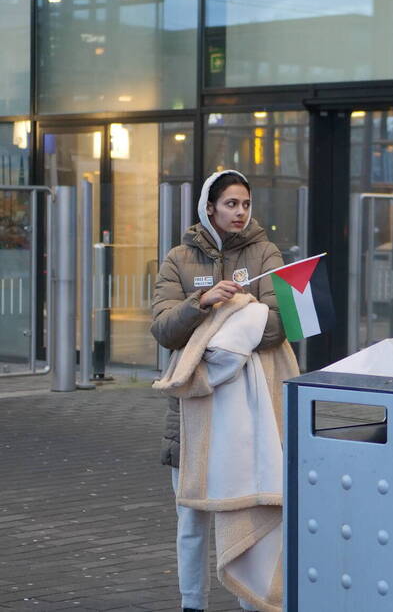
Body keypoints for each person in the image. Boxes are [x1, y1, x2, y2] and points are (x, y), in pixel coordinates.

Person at [151, 170, 287, 612]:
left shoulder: (266, 252)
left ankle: (254, 600)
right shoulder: (177, 259)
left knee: (249, 508)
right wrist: (203, 304)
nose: (240, 212)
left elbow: (281, 325)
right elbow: (164, 329)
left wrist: (237, 313)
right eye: (231, 204)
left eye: (245, 204)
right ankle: (193, 603)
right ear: (210, 207)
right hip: (192, 408)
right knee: (190, 517)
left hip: (251, 408)